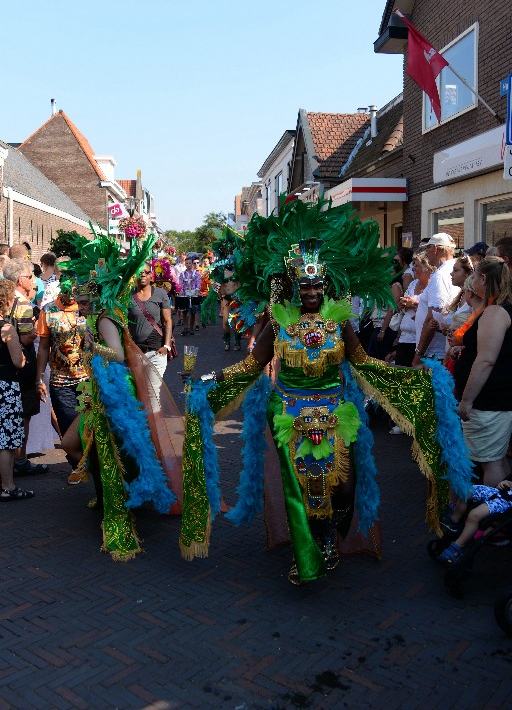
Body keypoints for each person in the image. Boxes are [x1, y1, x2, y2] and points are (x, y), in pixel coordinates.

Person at [179, 198, 473, 585]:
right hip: (291, 416)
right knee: (301, 490)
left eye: (318, 284)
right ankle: (311, 548)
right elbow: (251, 367)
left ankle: (332, 534)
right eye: (305, 285)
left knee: (345, 488)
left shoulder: (341, 324)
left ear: (326, 285)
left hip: (336, 415)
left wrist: (413, 379)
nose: (313, 291)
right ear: (295, 288)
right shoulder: (280, 325)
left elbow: (364, 363)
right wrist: (209, 382)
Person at [59, 232, 183, 559]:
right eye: (80, 303)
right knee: (86, 447)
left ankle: (120, 507)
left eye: (85, 302)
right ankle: (109, 496)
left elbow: (115, 354)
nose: (81, 308)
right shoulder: (104, 315)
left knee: (112, 453)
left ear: (96, 300)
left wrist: (91, 345)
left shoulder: (103, 319)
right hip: (103, 394)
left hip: (115, 396)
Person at [454, 256, 512, 486]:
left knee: (490, 461)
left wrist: (467, 400)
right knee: (495, 458)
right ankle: (496, 515)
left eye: (474, 276)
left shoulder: (496, 312)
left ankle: (488, 515)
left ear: (484, 279)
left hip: (489, 399)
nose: (472, 281)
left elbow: (486, 359)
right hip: (495, 398)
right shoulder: (498, 309)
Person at [2, 259, 47, 475]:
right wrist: (35, 332)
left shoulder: (8, 301)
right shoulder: (23, 304)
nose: (33, 280)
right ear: (21, 280)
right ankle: (20, 460)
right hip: (21, 364)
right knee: (24, 414)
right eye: (30, 277)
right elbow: (27, 338)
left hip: (6, 368)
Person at [35, 271, 89, 442]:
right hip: (60, 382)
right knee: (68, 430)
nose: (72, 296)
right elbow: (44, 347)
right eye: (68, 291)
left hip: (87, 379)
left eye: (75, 291)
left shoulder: (85, 308)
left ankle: (89, 467)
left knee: (89, 428)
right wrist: (39, 378)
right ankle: (76, 467)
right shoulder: (49, 310)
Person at [0, 279, 34, 501]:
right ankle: (8, 485)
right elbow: (18, 362)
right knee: (7, 439)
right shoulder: (6, 328)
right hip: (5, 385)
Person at [412, 232, 460, 366]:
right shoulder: (455, 269)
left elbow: (432, 319)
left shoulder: (440, 275)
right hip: (442, 349)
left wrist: (419, 354)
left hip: (433, 354)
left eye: (427, 248)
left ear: (436, 249)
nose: (425, 252)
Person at [439, 477, 512, 563]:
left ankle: (459, 545)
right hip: (501, 491)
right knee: (465, 492)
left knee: (474, 515)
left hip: (506, 501)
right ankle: (454, 521)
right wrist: (506, 482)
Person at [128, 261, 174, 377]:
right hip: (135, 353)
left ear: (150, 275)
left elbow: (167, 321)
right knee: (138, 392)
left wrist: (166, 346)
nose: (142, 275)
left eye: (146, 272)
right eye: (139, 272)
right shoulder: (127, 296)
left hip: (156, 351)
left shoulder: (161, 293)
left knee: (153, 391)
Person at [177, 256, 201, 336]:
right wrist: (180, 291)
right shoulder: (182, 274)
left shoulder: (196, 273)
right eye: (187, 263)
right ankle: (185, 327)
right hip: (184, 294)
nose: (188, 265)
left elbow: (198, 283)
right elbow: (180, 284)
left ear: (192, 264)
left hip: (193, 294)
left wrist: (197, 290)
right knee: (184, 311)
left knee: (192, 312)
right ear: (185, 264)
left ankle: (191, 327)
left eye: (190, 263)